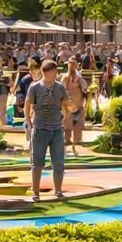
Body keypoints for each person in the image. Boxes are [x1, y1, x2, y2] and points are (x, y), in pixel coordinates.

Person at [25, 60, 73, 200]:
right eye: (51, 72)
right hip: (40, 128)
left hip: (56, 129)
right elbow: (28, 103)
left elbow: (66, 103)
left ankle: (58, 191)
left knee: (58, 162)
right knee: (37, 163)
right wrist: (28, 120)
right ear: (45, 72)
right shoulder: (35, 87)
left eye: (55, 71)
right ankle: (36, 193)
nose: (54, 74)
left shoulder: (60, 88)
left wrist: (67, 115)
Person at [63, 58, 88, 152]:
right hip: (69, 98)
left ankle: (77, 139)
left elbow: (85, 87)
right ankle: (67, 139)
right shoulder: (65, 77)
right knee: (68, 119)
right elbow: (63, 87)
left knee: (78, 118)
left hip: (77, 98)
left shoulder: (79, 77)